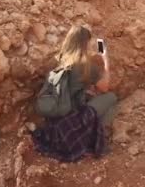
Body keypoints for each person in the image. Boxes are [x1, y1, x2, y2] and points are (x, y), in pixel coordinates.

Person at [32, 25, 117, 162]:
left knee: (89, 96)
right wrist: (105, 59)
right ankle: (94, 136)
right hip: (74, 119)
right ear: (85, 44)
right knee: (111, 98)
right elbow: (105, 87)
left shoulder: (58, 58)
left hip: (55, 119)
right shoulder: (86, 65)